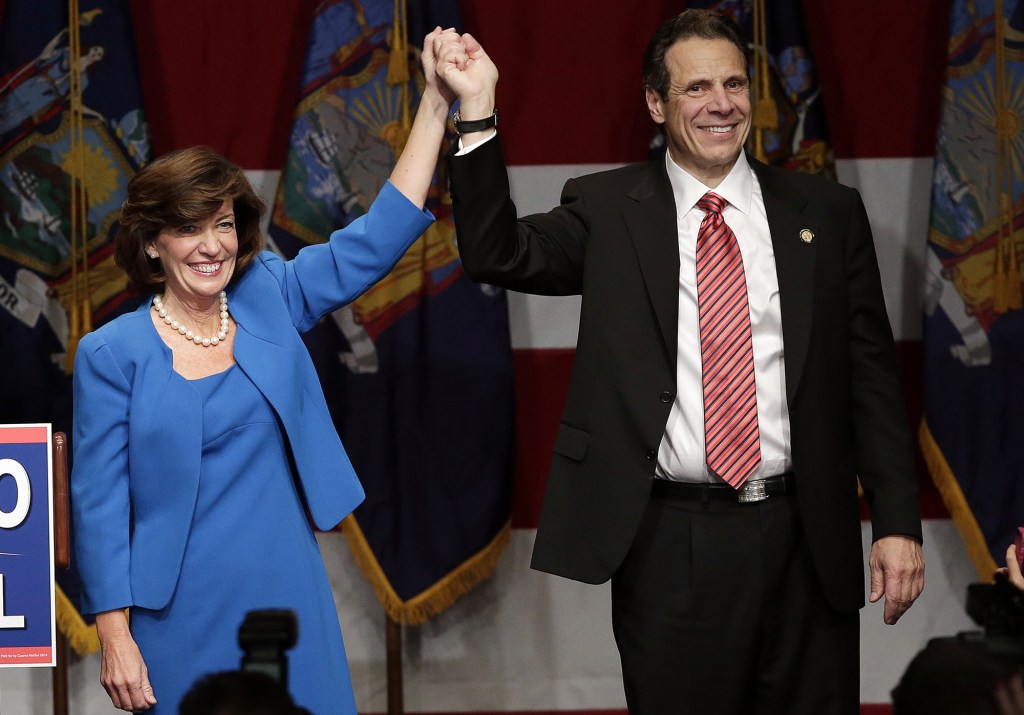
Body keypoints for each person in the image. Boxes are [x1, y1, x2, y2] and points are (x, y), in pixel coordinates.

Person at [435, 10, 925, 714]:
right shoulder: (608, 209)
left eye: (733, 83)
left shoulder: (826, 210)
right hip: (670, 543)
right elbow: (496, 252)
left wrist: (899, 519)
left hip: (806, 536)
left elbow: (871, 377)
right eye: (696, 89)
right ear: (656, 104)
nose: (720, 103)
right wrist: (477, 109)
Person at [71, 27, 459, 715]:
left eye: (223, 223)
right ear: (154, 245)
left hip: (287, 594)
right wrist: (113, 631)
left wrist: (434, 103)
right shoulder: (111, 353)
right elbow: (98, 507)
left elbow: (374, 241)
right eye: (190, 228)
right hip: (174, 613)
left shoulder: (269, 294)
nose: (213, 245)